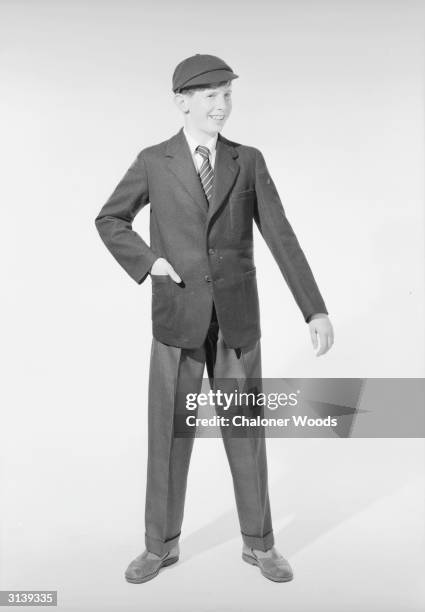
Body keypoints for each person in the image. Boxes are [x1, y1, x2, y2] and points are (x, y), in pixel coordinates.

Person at [94, 53, 334, 584]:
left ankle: (261, 545)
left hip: (236, 323)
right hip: (176, 321)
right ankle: (159, 546)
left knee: (246, 433)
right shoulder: (154, 161)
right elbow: (110, 218)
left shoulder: (247, 160)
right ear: (183, 101)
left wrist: (313, 307)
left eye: (228, 94)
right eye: (210, 95)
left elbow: (281, 235)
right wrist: (149, 261)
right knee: (169, 437)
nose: (222, 105)